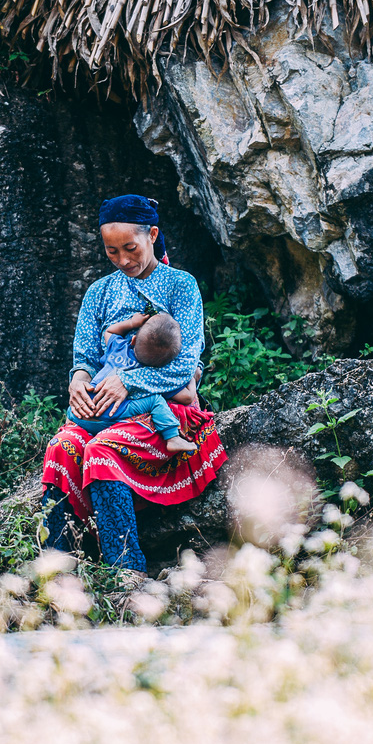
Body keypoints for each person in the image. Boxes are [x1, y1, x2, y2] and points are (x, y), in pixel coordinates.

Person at [42, 193, 227, 576]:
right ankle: (56, 570)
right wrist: (78, 381)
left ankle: (125, 573)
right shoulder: (99, 292)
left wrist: (128, 380)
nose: (123, 260)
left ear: (152, 235)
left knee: (102, 450)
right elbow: (85, 358)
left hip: (161, 408)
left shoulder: (181, 286)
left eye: (130, 248)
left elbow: (185, 365)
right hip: (104, 407)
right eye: (112, 252)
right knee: (62, 446)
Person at [66, 310, 198, 454]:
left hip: (80, 413)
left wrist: (132, 323)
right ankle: (172, 438)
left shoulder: (118, 347)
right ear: (164, 364)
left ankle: (70, 425)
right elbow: (187, 397)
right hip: (112, 418)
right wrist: (192, 377)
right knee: (155, 400)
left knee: (83, 394)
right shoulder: (153, 377)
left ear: (133, 340)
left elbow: (108, 332)